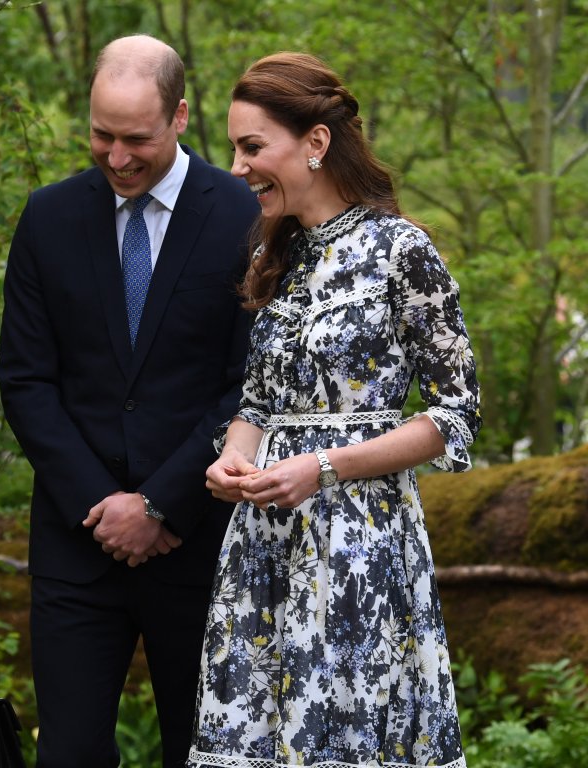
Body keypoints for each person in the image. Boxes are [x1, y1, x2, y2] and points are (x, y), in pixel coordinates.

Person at [186, 52, 481, 768]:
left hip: (358, 547)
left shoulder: (400, 251)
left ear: (315, 143)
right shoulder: (273, 256)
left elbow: (455, 415)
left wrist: (323, 467)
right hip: (264, 547)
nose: (237, 165)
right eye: (234, 147)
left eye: (253, 147)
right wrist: (233, 457)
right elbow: (257, 403)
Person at [0, 34, 260, 768]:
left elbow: (249, 383)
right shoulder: (48, 218)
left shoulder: (246, 212)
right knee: (70, 754)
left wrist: (162, 506)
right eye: (101, 136)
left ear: (179, 116)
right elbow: (25, 377)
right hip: (78, 545)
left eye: (136, 138)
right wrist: (107, 508)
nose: (117, 158)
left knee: (204, 753)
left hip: (200, 542)